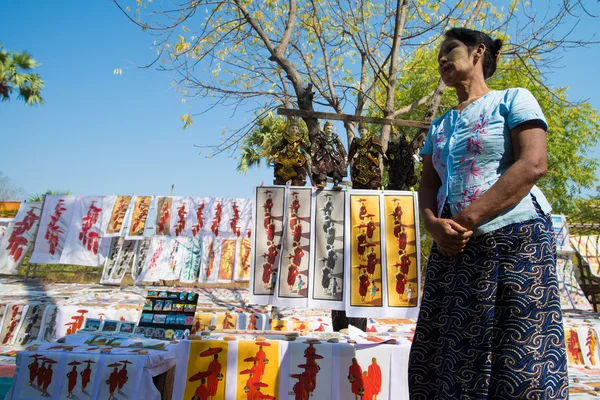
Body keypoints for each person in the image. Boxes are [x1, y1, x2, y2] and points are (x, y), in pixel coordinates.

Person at [408, 27, 568, 399]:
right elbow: (429, 184)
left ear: (479, 52)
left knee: (519, 346)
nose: (442, 60)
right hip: (454, 250)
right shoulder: (440, 125)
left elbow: (532, 164)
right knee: (448, 348)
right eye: (439, 57)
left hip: (515, 242)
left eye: (450, 50)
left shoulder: (514, 99)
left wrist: (466, 220)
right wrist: (432, 224)